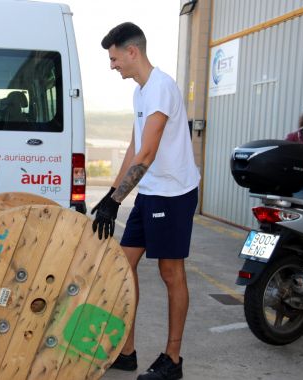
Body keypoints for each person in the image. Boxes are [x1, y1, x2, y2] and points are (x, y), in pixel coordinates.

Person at [93, 23, 200, 380]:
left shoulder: (161, 89)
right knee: (124, 266)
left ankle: (173, 359)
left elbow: (149, 152)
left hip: (172, 193)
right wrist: (112, 195)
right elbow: (135, 147)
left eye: (114, 58)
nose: (113, 66)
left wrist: (118, 198)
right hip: (150, 191)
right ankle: (127, 350)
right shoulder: (140, 92)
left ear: (132, 52)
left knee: (171, 273)